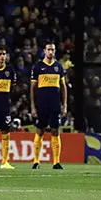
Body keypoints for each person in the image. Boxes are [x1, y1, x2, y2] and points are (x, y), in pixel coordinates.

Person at [30, 42, 66, 170]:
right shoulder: (38, 67)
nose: (51, 52)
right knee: (40, 130)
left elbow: (63, 88)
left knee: (55, 131)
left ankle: (56, 162)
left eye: (53, 49)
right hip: (41, 105)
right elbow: (32, 88)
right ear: (44, 51)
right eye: (49, 49)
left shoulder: (58, 67)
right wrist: (33, 107)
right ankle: (36, 161)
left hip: (55, 105)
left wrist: (65, 105)